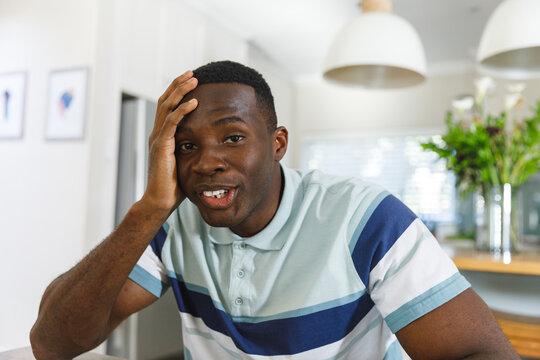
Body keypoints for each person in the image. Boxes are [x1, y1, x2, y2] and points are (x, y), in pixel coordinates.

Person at [30, 61, 518, 360]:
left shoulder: (367, 219)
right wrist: (149, 207)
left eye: (233, 137)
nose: (206, 161)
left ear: (278, 143)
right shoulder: (171, 224)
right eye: (185, 145)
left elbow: (481, 353)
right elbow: (51, 346)